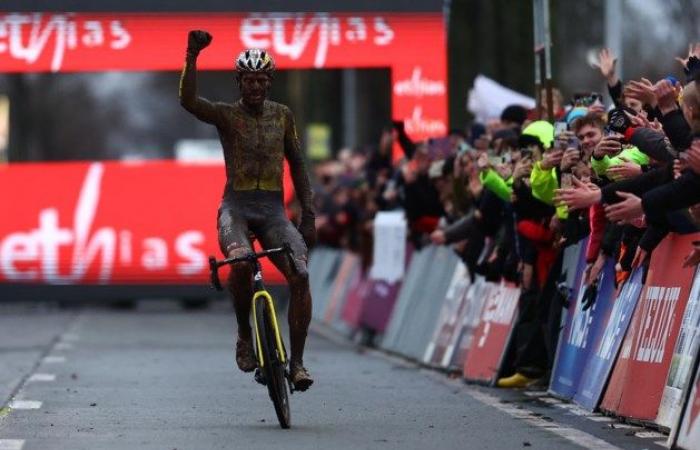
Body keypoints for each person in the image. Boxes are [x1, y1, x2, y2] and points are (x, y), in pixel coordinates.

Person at [179, 30, 315, 391]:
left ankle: (297, 364)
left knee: (300, 275)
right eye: (248, 80)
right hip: (236, 207)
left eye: (261, 80)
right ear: (238, 81)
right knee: (240, 263)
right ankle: (244, 334)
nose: (255, 87)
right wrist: (192, 56)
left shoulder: (283, 116)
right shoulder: (226, 115)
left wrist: (309, 214)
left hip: (272, 210)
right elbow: (189, 101)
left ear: (269, 81)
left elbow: (298, 166)